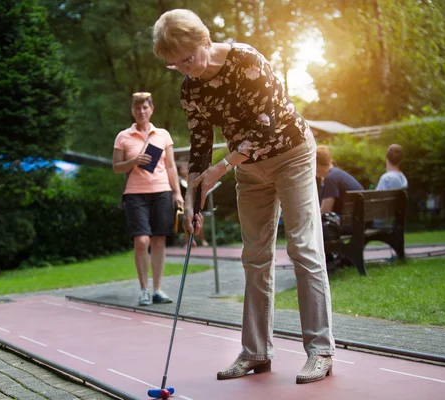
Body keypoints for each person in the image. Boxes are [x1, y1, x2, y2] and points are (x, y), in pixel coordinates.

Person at [153, 9, 335, 384]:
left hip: (291, 154)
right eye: (175, 65)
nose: (185, 69)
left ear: (204, 40)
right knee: (254, 256)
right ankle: (256, 351)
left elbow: (265, 125)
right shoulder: (191, 89)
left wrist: (221, 169)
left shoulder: (245, 60)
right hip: (250, 169)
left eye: (188, 59)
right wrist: (191, 200)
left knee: (303, 248)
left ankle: (320, 350)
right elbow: (200, 145)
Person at [112, 92, 184, 306]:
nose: (141, 111)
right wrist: (134, 160)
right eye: (137, 108)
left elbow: (171, 166)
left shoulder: (162, 135)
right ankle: (143, 289)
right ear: (132, 111)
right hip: (135, 194)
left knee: (159, 240)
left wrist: (177, 193)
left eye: (145, 107)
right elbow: (116, 167)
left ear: (151, 109)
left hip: (162, 191)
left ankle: (157, 290)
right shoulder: (123, 136)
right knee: (142, 241)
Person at [316, 145, 364, 216]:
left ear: (317, 164)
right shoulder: (337, 174)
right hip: (359, 221)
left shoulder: (330, 179)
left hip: (347, 224)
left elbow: (325, 211)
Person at [177, 160, 209, 247]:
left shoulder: (194, 179)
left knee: (197, 220)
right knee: (187, 222)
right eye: (182, 168)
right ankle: (188, 242)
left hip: (195, 203)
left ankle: (202, 240)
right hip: (183, 204)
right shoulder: (178, 180)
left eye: (186, 167)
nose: (184, 169)